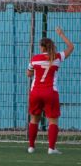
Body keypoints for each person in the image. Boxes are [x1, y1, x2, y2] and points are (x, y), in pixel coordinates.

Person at [27, 27, 74, 155]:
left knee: (34, 119)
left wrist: (32, 71)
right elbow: (71, 47)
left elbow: (28, 74)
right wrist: (61, 34)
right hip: (50, 93)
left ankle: (31, 147)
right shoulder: (57, 57)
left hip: (36, 92)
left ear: (42, 47)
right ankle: (51, 148)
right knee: (52, 120)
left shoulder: (34, 59)